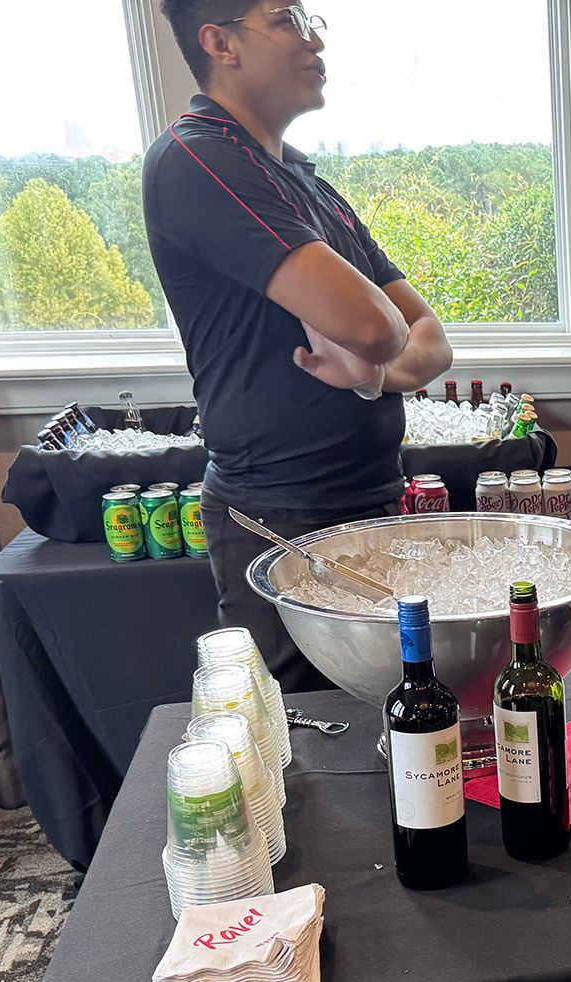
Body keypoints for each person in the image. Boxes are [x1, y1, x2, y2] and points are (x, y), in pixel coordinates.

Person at [145, 1, 452, 689]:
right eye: (286, 19)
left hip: (368, 499)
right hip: (279, 513)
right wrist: (379, 351)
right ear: (220, 42)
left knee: (392, 715)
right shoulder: (196, 160)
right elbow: (377, 324)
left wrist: (374, 377)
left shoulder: (310, 185)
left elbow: (431, 341)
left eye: (314, 20)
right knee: (312, 745)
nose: (314, 38)